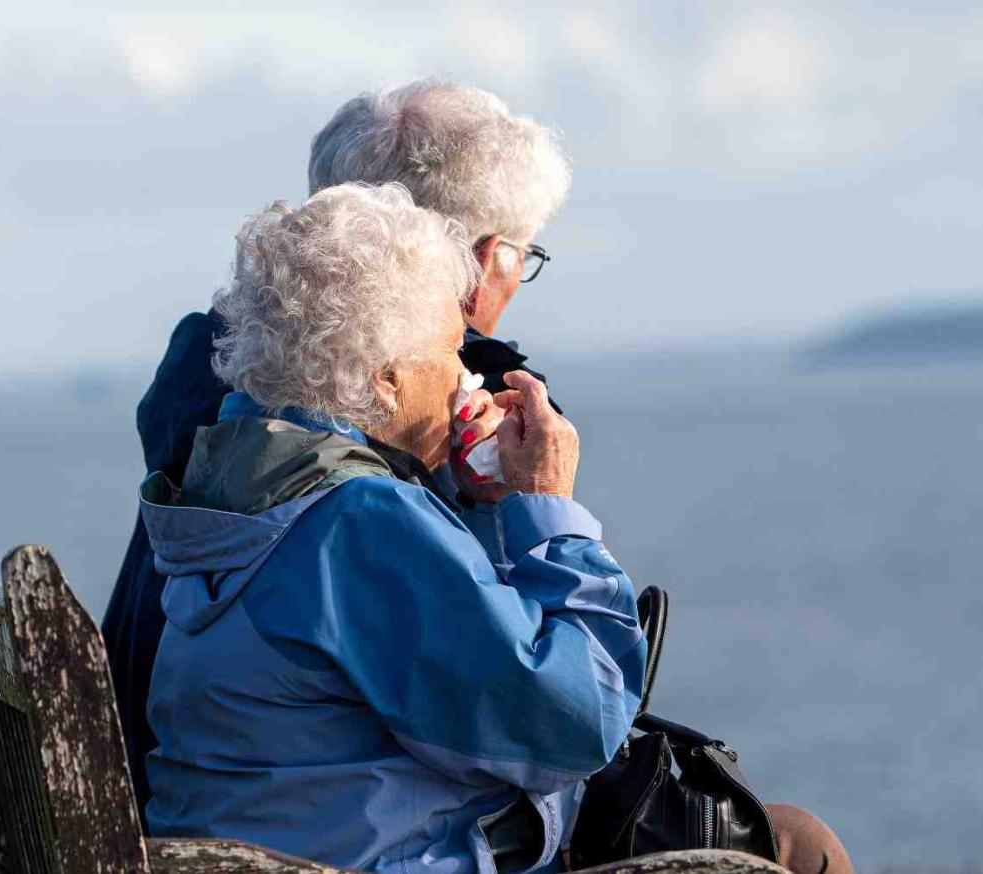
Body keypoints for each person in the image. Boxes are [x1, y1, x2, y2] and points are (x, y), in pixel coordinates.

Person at [139, 182, 646, 874]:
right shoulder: (357, 523)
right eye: (450, 349)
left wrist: (474, 500)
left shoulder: (240, 481)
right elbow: (575, 723)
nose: (466, 373)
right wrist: (548, 508)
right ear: (385, 380)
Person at [103, 78, 572, 819]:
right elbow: (546, 719)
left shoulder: (219, 374)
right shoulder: (444, 412)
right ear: (479, 259)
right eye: (524, 250)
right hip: (313, 826)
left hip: (155, 779)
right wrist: (540, 507)